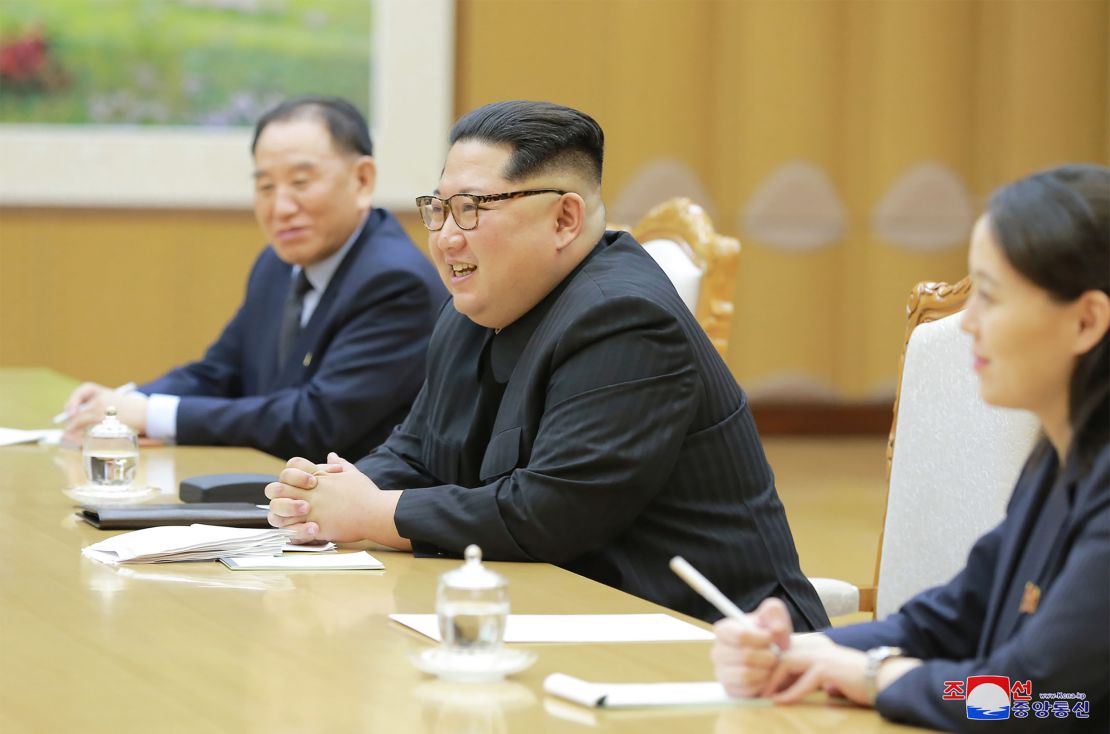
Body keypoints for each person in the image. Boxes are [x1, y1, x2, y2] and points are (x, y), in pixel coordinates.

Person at [265, 100, 828, 628]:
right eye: (438, 209)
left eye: (471, 209)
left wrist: (373, 513)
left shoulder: (625, 317)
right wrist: (327, 493)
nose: (445, 239)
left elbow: (550, 513)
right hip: (569, 614)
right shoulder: (475, 304)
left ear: (564, 219)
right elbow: (418, 450)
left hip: (716, 640)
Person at [711, 164, 1109, 732]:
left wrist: (874, 676)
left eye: (990, 297)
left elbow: (1035, 699)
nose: (966, 322)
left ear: (1087, 320)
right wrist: (805, 653)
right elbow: (953, 618)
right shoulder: (1060, 452)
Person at [60, 96, 447, 459]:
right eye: (265, 186)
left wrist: (149, 414)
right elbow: (220, 372)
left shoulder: (395, 281)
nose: (280, 207)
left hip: (353, 516)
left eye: (300, 183)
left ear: (362, 180)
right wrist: (116, 407)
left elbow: (314, 421)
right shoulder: (277, 264)